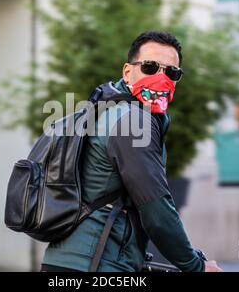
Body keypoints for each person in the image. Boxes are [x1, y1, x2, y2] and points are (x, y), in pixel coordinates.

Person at [41, 31, 223, 272]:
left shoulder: (108, 109)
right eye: (150, 67)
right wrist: (196, 266)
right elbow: (156, 210)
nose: (161, 78)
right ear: (128, 72)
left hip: (70, 260)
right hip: (95, 264)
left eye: (171, 72)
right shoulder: (134, 121)